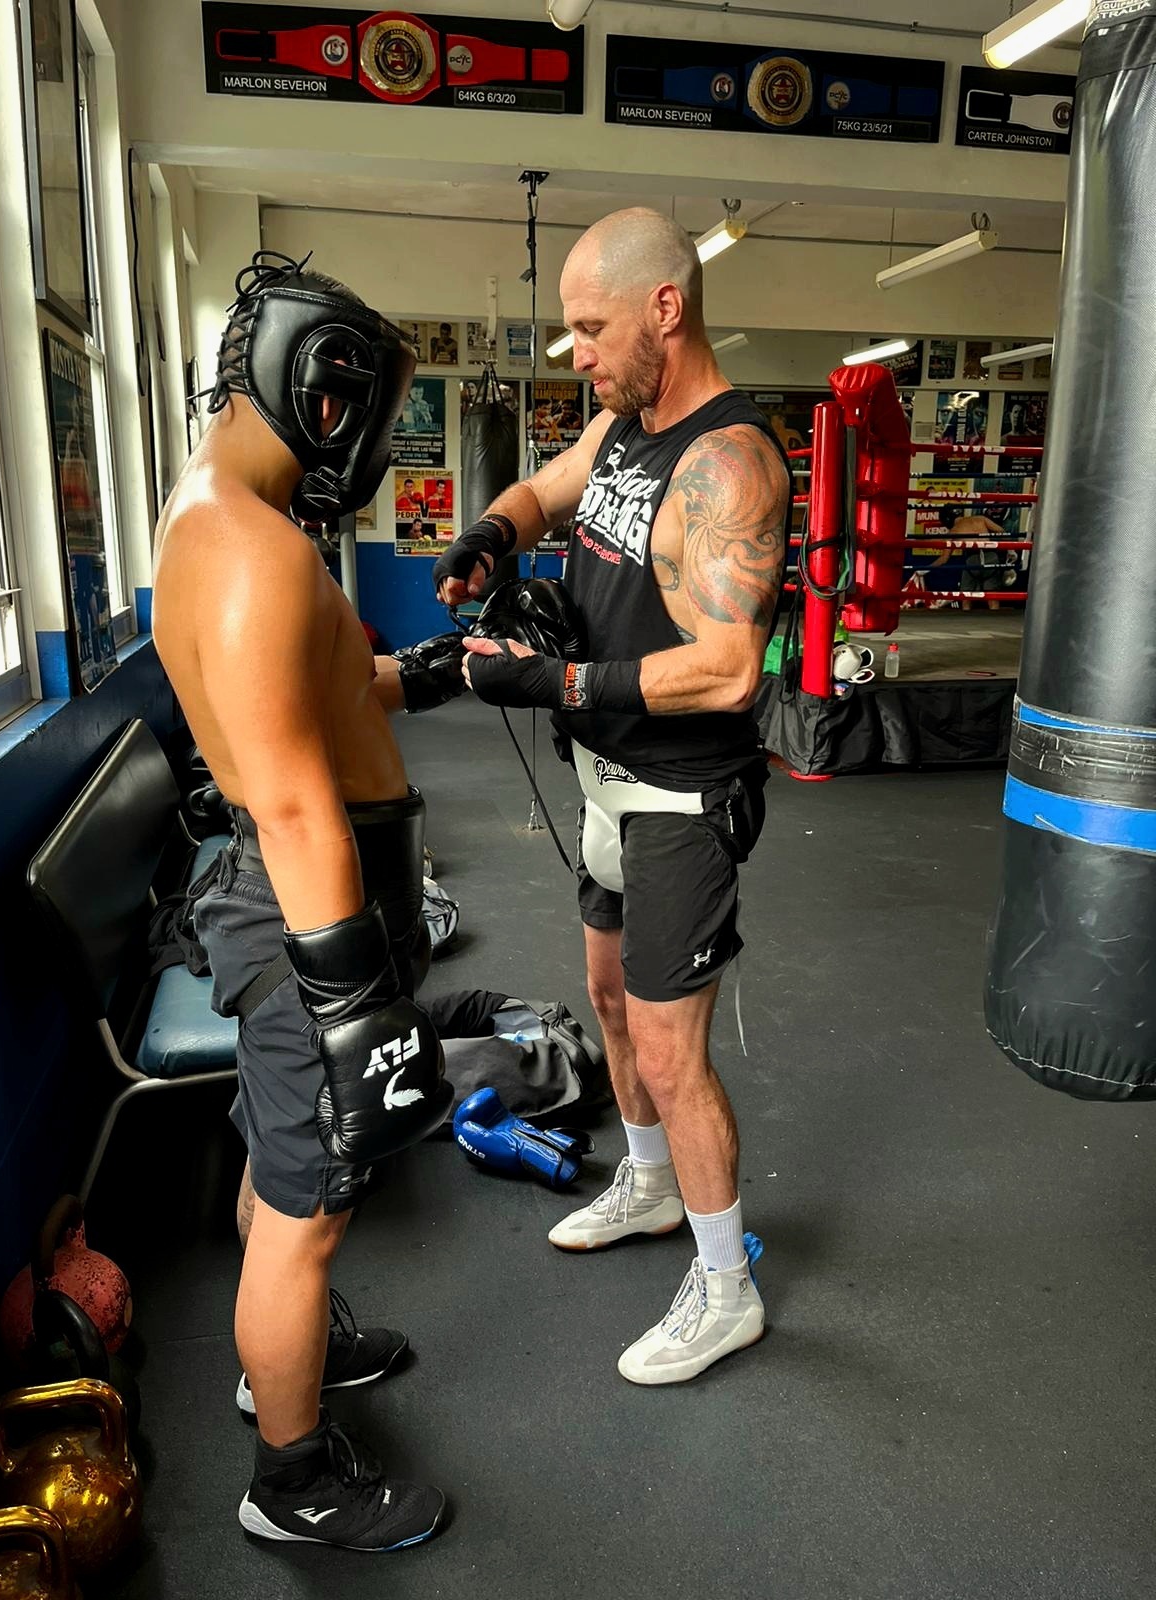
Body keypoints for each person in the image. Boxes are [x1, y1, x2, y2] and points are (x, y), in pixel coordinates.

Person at [434, 207, 791, 1386]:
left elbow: (728, 669)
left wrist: (554, 680)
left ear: (664, 309)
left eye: (591, 327)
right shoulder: (623, 426)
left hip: (681, 798)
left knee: (673, 1048)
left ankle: (727, 1288)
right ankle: (647, 1183)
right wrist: (492, 534)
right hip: (601, 780)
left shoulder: (730, 461)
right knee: (606, 997)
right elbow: (548, 487)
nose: (575, 351)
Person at [152, 251, 468, 1556]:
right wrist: (356, 1006)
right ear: (296, 377)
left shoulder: (230, 518)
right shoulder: (251, 547)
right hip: (302, 908)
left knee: (283, 1165)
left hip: (288, 901)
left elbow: (333, 695)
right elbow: (290, 804)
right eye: (351, 402)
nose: (364, 439)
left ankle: (284, 1358)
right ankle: (292, 1482)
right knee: (311, 1201)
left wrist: (447, 671)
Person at [932, 503, 1008, 610]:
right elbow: (1001, 532)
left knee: (966, 597)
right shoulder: (980, 519)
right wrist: (1011, 550)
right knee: (992, 597)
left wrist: (925, 569)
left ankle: (965, 618)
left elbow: (944, 559)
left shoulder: (953, 531)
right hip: (991, 557)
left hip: (972, 560)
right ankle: (995, 618)